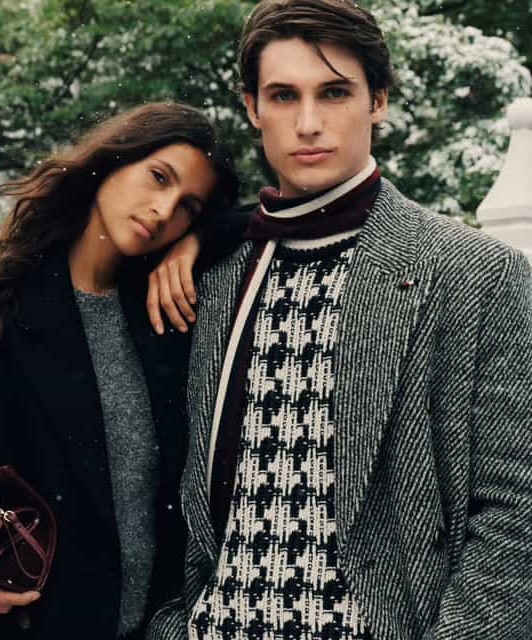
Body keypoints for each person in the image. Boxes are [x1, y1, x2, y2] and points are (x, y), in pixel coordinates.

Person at [146, 2, 532, 639]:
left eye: (333, 93)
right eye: (283, 95)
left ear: (376, 101)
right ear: (252, 107)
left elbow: (516, 513)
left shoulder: (474, 273)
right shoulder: (212, 276)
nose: (308, 123)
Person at [0, 101, 239, 640]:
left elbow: (275, 216)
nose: (163, 209)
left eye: (188, 207)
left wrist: (201, 240)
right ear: (113, 160)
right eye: (158, 177)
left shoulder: (166, 313)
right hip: (14, 626)